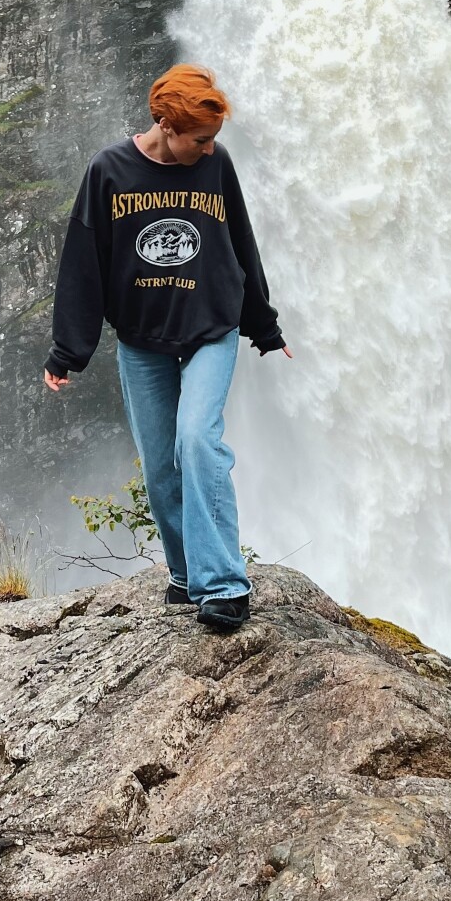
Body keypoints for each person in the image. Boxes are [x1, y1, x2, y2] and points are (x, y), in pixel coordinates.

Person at [44, 63, 291, 631]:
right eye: (199, 140)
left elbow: (241, 243)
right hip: (142, 340)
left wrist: (264, 324)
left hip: (211, 328)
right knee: (160, 467)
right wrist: (68, 351)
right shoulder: (109, 171)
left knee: (198, 441)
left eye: (213, 141)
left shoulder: (215, 165)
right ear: (165, 125)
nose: (208, 151)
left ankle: (225, 586)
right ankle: (185, 575)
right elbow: (85, 265)